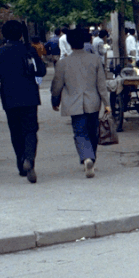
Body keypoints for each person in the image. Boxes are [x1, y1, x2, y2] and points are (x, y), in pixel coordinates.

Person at [0, 20, 47, 183]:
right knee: (30, 130)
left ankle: (21, 163)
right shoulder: (29, 50)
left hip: (9, 98)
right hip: (29, 97)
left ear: (4, 34)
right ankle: (29, 159)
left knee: (15, 131)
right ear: (21, 34)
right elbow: (41, 71)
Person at [50, 28, 112, 179]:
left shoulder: (62, 63)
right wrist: (107, 103)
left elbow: (57, 86)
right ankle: (92, 158)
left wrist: (55, 100)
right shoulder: (95, 60)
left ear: (69, 43)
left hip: (74, 103)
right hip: (93, 102)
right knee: (92, 132)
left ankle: (87, 157)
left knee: (79, 132)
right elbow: (101, 84)